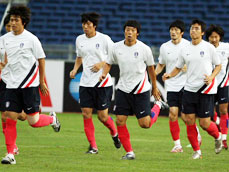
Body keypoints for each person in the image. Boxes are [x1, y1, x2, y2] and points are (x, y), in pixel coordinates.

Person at [0, 5, 61, 165]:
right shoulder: (3, 40)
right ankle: (10, 154)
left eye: (16, 20)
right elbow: (2, 61)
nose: (12, 23)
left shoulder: (31, 39)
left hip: (29, 85)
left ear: (24, 22)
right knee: (9, 117)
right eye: (11, 20)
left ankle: (51, 120)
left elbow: (41, 60)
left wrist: (41, 81)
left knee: (33, 121)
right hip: (11, 85)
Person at [100, 20, 168, 160]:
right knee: (120, 120)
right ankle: (129, 152)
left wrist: (155, 88)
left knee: (145, 124)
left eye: (132, 30)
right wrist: (104, 73)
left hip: (141, 90)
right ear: (124, 31)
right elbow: (108, 63)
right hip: (123, 89)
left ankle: (158, 106)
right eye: (127, 30)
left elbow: (151, 70)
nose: (129, 32)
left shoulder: (144, 49)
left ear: (137, 32)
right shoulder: (116, 47)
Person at [163, 19, 222, 159]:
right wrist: (169, 74)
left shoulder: (209, 48)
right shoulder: (185, 49)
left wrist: (212, 77)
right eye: (191, 28)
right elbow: (178, 67)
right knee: (189, 120)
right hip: (189, 89)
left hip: (205, 90)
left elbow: (218, 65)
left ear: (202, 32)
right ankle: (197, 152)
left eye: (196, 28)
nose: (193, 30)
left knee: (204, 123)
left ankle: (218, 136)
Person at [69, 12, 121, 154]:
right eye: (83, 24)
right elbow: (79, 56)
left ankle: (115, 134)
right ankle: (93, 147)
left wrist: (101, 63)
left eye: (88, 24)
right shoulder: (79, 39)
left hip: (102, 83)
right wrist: (74, 70)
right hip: (85, 83)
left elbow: (115, 56)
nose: (85, 27)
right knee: (86, 114)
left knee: (102, 116)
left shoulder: (104, 39)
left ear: (95, 26)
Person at [155, 20, 201, 153]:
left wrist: (188, 67)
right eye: (171, 29)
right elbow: (161, 64)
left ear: (182, 32)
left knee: (187, 117)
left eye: (176, 30)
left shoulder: (188, 45)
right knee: (173, 114)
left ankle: (196, 133)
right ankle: (177, 145)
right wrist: (154, 74)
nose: (173, 32)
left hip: (187, 84)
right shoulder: (164, 47)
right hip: (171, 85)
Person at [0, 14, 27, 156]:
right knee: (4, 116)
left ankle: (40, 117)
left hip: (17, 82)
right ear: (6, 27)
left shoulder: (24, 41)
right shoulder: (2, 41)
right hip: (4, 82)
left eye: (14, 24)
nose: (11, 27)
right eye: (9, 25)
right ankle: (12, 147)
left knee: (20, 116)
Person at [206, 25, 229, 150]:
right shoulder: (205, 48)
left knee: (224, 110)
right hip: (209, 84)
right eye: (211, 37)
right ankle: (219, 128)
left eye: (216, 37)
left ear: (220, 37)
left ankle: (224, 138)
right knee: (210, 112)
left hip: (223, 83)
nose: (214, 39)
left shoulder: (226, 47)